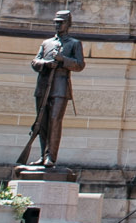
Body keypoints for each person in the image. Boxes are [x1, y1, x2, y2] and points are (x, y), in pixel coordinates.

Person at [16, 10, 87, 172]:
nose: (57, 25)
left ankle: (51, 156)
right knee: (42, 122)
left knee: (55, 121)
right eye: (56, 22)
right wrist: (46, 64)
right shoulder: (46, 43)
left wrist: (63, 61)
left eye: (61, 22)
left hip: (60, 89)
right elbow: (35, 61)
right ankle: (42, 155)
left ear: (68, 23)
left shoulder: (74, 43)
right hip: (43, 86)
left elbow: (80, 65)